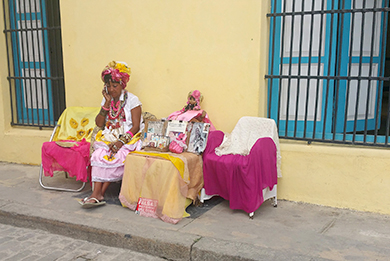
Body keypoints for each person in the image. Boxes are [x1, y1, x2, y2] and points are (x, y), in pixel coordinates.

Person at [79, 61, 144, 208]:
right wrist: (106, 104)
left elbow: (135, 127)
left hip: (128, 138)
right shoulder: (107, 99)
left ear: (123, 85)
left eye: (115, 86)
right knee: (98, 155)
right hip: (109, 136)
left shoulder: (133, 100)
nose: (111, 89)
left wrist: (121, 142)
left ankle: (97, 194)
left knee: (115, 155)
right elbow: (99, 123)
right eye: (108, 86)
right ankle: (97, 194)